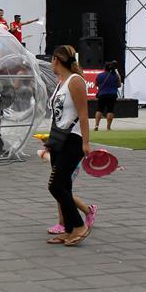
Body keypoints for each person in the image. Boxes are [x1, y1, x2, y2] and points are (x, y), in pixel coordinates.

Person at [45, 45, 94, 246]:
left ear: (57, 59)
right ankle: (67, 229)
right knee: (64, 185)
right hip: (59, 139)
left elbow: (83, 114)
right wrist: (49, 140)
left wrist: (86, 142)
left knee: (55, 185)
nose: (51, 64)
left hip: (73, 140)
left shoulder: (75, 81)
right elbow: (59, 115)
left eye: (52, 60)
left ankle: (79, 225)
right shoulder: (62, 82)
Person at [94, 61, 122, 131]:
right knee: (110, 110)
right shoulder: (115, 76)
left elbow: (96, 84)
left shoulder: (100, 75)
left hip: (102, 94)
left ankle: (96, 125)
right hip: (112, 94)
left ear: (104, 68)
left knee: (99, 109)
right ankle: (108, 127)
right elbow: (119, 85)